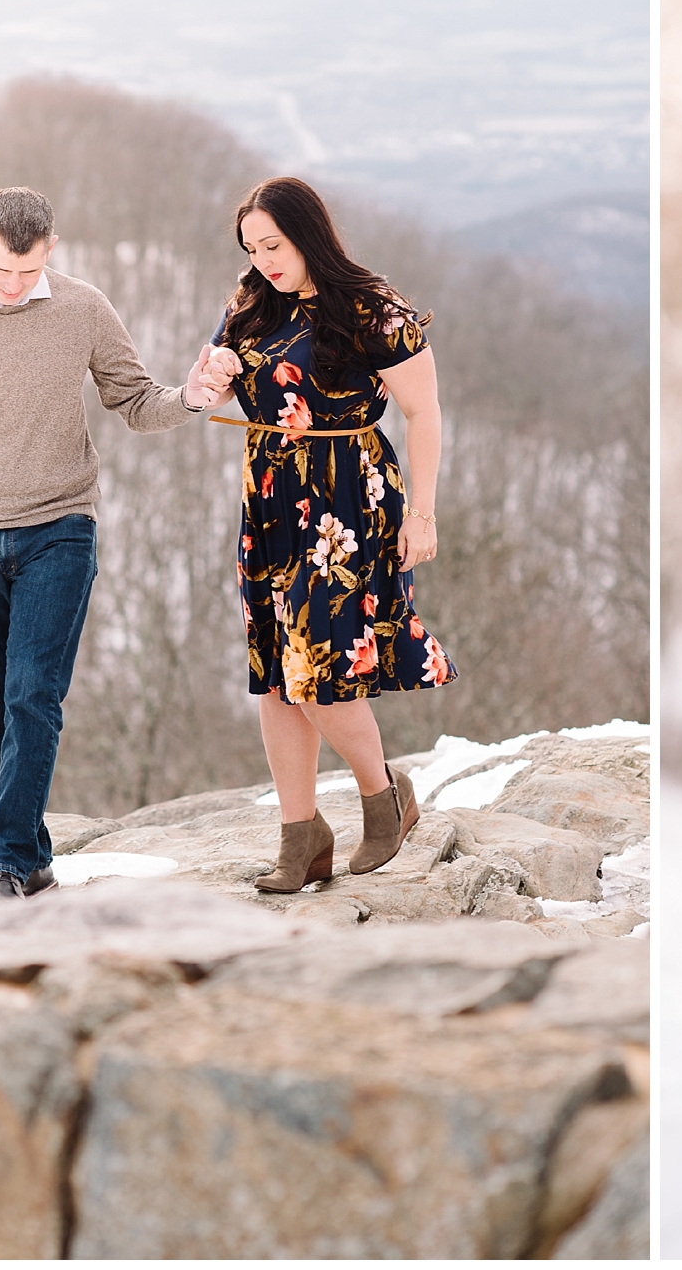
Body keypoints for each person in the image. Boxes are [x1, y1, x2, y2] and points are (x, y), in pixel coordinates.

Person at [0, 186, 237, 900]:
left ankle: (3, 859)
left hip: (60, 528)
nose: (13, 285)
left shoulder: (84, 308)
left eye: (28, 272)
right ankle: (30, 858)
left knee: (34, 694)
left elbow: (135, 402)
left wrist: (190, 397)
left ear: (51, 252)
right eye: (2, 269)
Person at [211, 176, 456, 894]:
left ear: (308, 234)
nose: (263, 261)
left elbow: (425, 413)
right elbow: (225, 384)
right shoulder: (252, 305)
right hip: (270, 502)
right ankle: (302, 836)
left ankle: (384, 798)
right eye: (253, 249)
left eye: (274, 245)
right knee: (276, 676)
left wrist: (424, 514)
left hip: (348, 502)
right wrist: (212, 374)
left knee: (319, 667)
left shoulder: (374, 309)